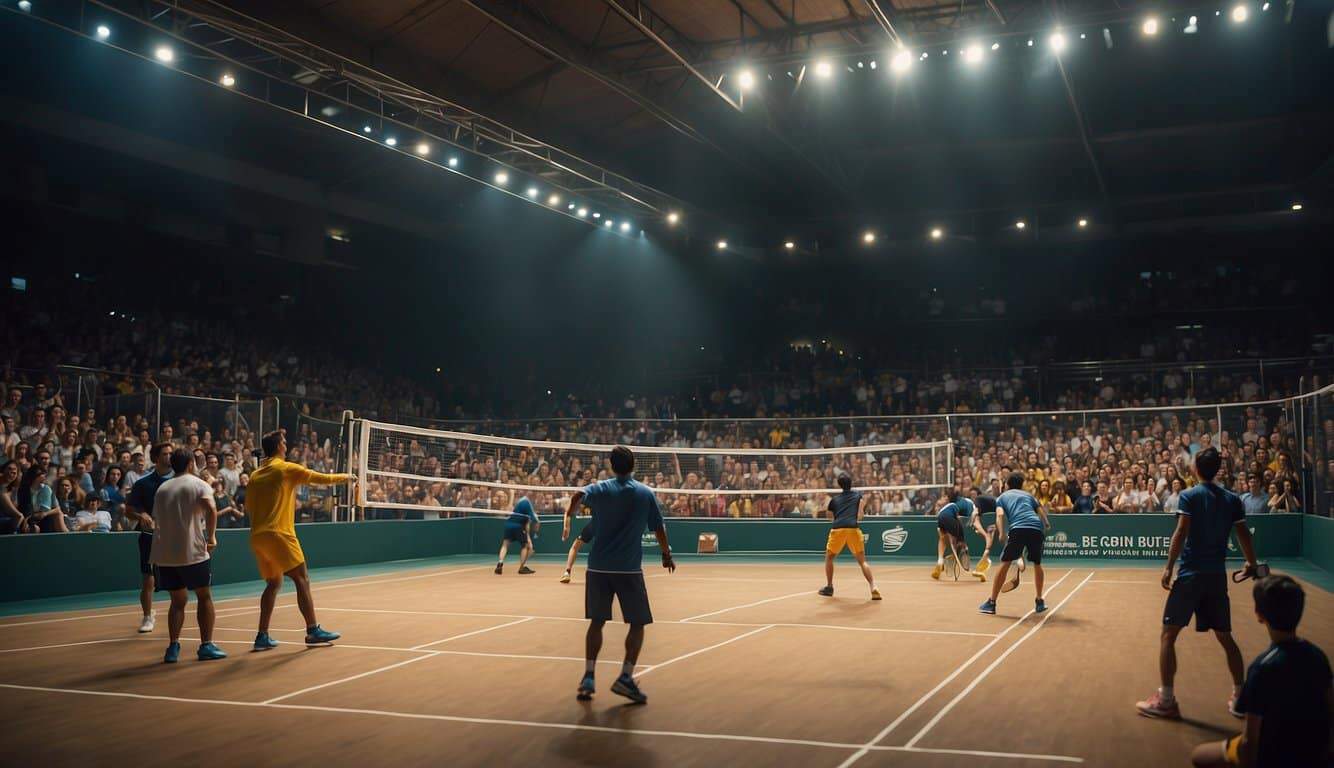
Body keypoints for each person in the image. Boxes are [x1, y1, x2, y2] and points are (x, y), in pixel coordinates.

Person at [1137, 447, 1259, 720]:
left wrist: (1168, 567)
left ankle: (1166, 700)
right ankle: (1240, 697)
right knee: (1225, 637)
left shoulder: (1189, 496)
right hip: (1216, 577)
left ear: (1195, 469)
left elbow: (1181, 532)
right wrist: (1251, 562)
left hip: (1191, 575)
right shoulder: (1233, 499)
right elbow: (1244, 536)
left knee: (1168, 635)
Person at [561, 445, 674, 705]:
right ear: (633, 465)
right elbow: (658, 527)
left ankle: (588, 677)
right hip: (628, 569)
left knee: (597, 622)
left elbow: (578, 495)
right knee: (637, 623)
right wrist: (666, 554)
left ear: (611, 465)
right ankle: (625, 677)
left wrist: (568, 517)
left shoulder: (600, 489)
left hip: (598, 567)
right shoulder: (645, 493)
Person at [1191, 575, 1332, 768]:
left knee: (1199, 755)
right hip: (1314, 751)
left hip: (1272, 753)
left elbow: (1250, 743)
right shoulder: (1318, 657)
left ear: (1259, 614)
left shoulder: (1262, 668)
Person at [248, 431, 356, 650]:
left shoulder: (255, 475)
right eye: (284, 442)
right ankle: (312, 630)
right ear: (279, 446)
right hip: (280, 534)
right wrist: (346, 477)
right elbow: (320, 478)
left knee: (274, 583)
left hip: (258, 537)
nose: (286, 445)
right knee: (302, 579)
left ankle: (262, 636)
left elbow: (248, 507)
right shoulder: (286, 469)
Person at [149, 449, 225, 663]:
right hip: (192, 552)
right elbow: (211, 508)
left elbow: (157, 517)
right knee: (204, 596)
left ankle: (173, 647)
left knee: (177, 601)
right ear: (191, 463)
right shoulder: (199, 484)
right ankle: (206, 645)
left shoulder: (162, 488)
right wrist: (211, 537)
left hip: (164, 554)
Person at [979, 472, 1050, 616]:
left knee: (1005, 563)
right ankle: (1039, 600)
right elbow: (1040, 511)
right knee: (1037, 564)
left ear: (1007, 485)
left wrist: (1002, 533)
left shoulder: (1002, 497)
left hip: (1018, 529)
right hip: (1036, 528)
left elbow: (999, 516)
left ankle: (991, 603)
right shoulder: (1029, 495)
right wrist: (1046, 523)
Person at [126, 443, 174, 633]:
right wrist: (141, 516)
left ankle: (176, 613)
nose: (169, 457)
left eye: (171, 454)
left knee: (175, 578)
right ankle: (147, 617)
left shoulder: (179, 482)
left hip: (174, 537)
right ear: (155, 458)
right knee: (148, 578)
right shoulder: (142, 484)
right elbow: (129, 511)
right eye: (165, 454)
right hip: (149, 536)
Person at [819, 473, 880, 599]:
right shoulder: (858, 496)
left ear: (839, 485)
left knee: (829, 558)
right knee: (862, 561)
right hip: (853, 528)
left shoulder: (834, 500)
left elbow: (829, 517)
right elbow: (860, 515)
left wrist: (839, 517)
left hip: (838, 529)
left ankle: (829, 587)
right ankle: (873, 587)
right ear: (851, 483)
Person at [932, 488, 974, 582]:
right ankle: (960, 550)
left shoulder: (945, 508)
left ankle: (940, 561)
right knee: (955, 543)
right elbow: (957, 522)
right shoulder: (955, 505)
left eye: (944, 496)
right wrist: (960, 539)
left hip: (940, 519)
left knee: (942, 539)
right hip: (950, 519)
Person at [496, 495, 539, 575]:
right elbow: (534, 521)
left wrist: (528, 537)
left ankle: (500, 563)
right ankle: (521, 568)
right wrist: (536, 529)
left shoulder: (519, 504)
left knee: (505, 544)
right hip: (518, 526)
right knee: (525, 546)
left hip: (508, 524)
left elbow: (527, 524)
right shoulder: (527, 503)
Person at [561, 516, 594, 584]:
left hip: (596, 523)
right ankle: (567, 572)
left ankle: (567, 572)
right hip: (595, 524)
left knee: (575, 546)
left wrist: (566, 526)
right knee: (575, 546)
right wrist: (566, 527)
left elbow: (568, 513)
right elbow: (568, 513)